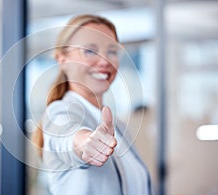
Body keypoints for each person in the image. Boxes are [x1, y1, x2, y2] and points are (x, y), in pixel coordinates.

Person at [32, 14, 154, 195]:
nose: (105, 61)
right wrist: (84, 143)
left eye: (112, 51)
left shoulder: (117, 126)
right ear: (62, 59)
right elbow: (65, 137)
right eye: (89, 51)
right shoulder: (59, 113)